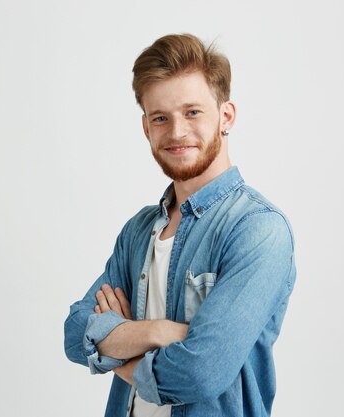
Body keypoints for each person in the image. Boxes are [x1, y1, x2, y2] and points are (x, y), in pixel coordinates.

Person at [64, 33, 296, 417]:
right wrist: (160, 331)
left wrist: (113, 347)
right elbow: (74, 334)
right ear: (146, 129)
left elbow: (200, 372)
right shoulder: (139, 231)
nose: (176, 131)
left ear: (226, 116)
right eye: (161, 118)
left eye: (192, 112)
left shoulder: (258, 229)